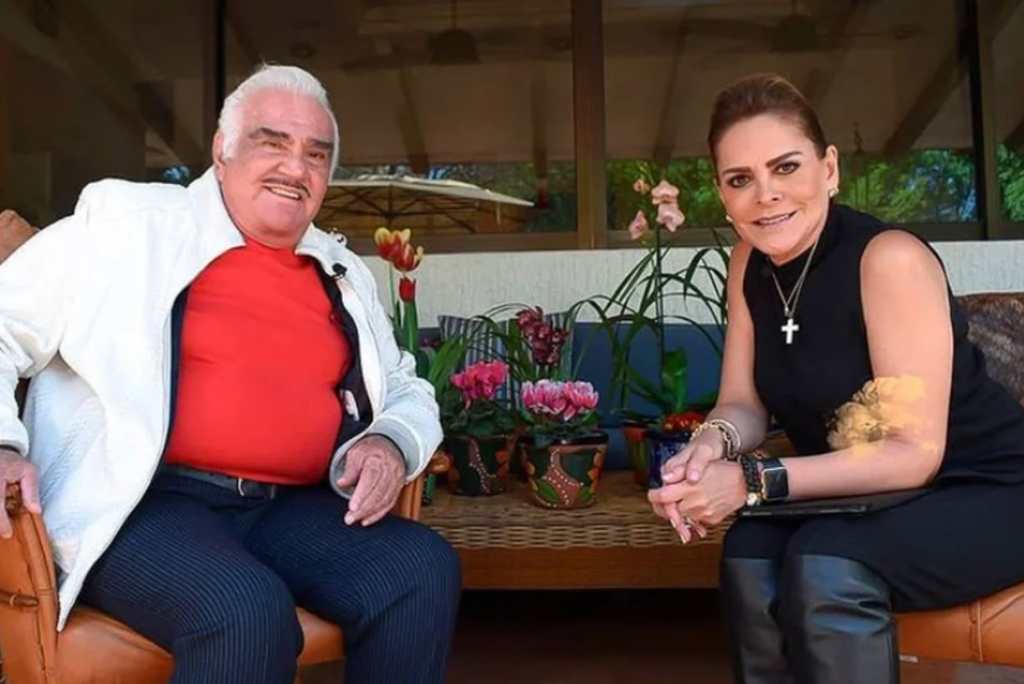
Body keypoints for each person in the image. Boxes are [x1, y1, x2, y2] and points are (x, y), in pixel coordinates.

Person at [0, 65, 460, 684]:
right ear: (222, 150)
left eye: (316, 154)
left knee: (419, 570)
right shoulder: (125, 225)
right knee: (244, 611)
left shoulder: (341, 269)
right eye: (273, 143)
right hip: (143, 505)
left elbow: (404, 385)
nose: (295, 168)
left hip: (289, 507)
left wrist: (390, 440)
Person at [647, 73, 1024, 684]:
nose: (766, 195)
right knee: (748, 554)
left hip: (986, 487)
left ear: (828, 168)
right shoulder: (748, 263)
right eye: (740, 179)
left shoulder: (888, 259)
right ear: (722, 194)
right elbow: (742, 403)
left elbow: (913, 454)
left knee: (827, 564)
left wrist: (750, 481)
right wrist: (708, 447)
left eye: (786, 167)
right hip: (867, 492)